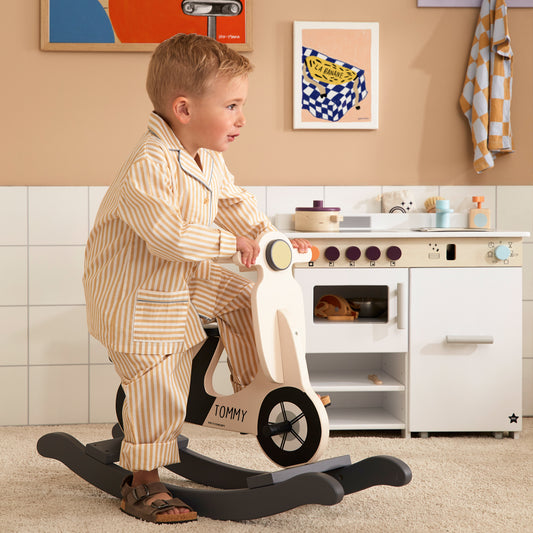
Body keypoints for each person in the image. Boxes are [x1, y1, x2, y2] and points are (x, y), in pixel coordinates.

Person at [83, 33, 310, 524]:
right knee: (159, 377)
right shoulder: (149, 164)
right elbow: (168, 235)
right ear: (183, 109)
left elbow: (234, 205)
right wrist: (235, 246)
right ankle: (142, 482)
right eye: (231, 105)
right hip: (135, 295)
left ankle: (259, 387)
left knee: (243, 297)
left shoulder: (207, 157)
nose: (241, 118)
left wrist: (270, 238)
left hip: (180, 278)